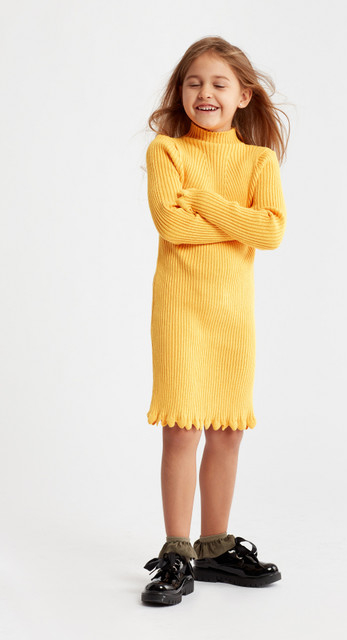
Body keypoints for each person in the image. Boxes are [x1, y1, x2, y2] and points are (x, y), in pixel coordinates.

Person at [140, 36, 289, 606]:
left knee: (227, 431)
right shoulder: (167, 152)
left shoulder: (259, 161)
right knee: (182, 428)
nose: (205, 92)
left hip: (231, 318)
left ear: (243, 95)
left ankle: (215, 547)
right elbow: (171, 226)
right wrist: (234, 219)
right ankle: (177, 552)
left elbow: (270, 231)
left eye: (219, 83)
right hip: (180, 314)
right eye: (194, 82)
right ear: (180, 92)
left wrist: (200, 200)